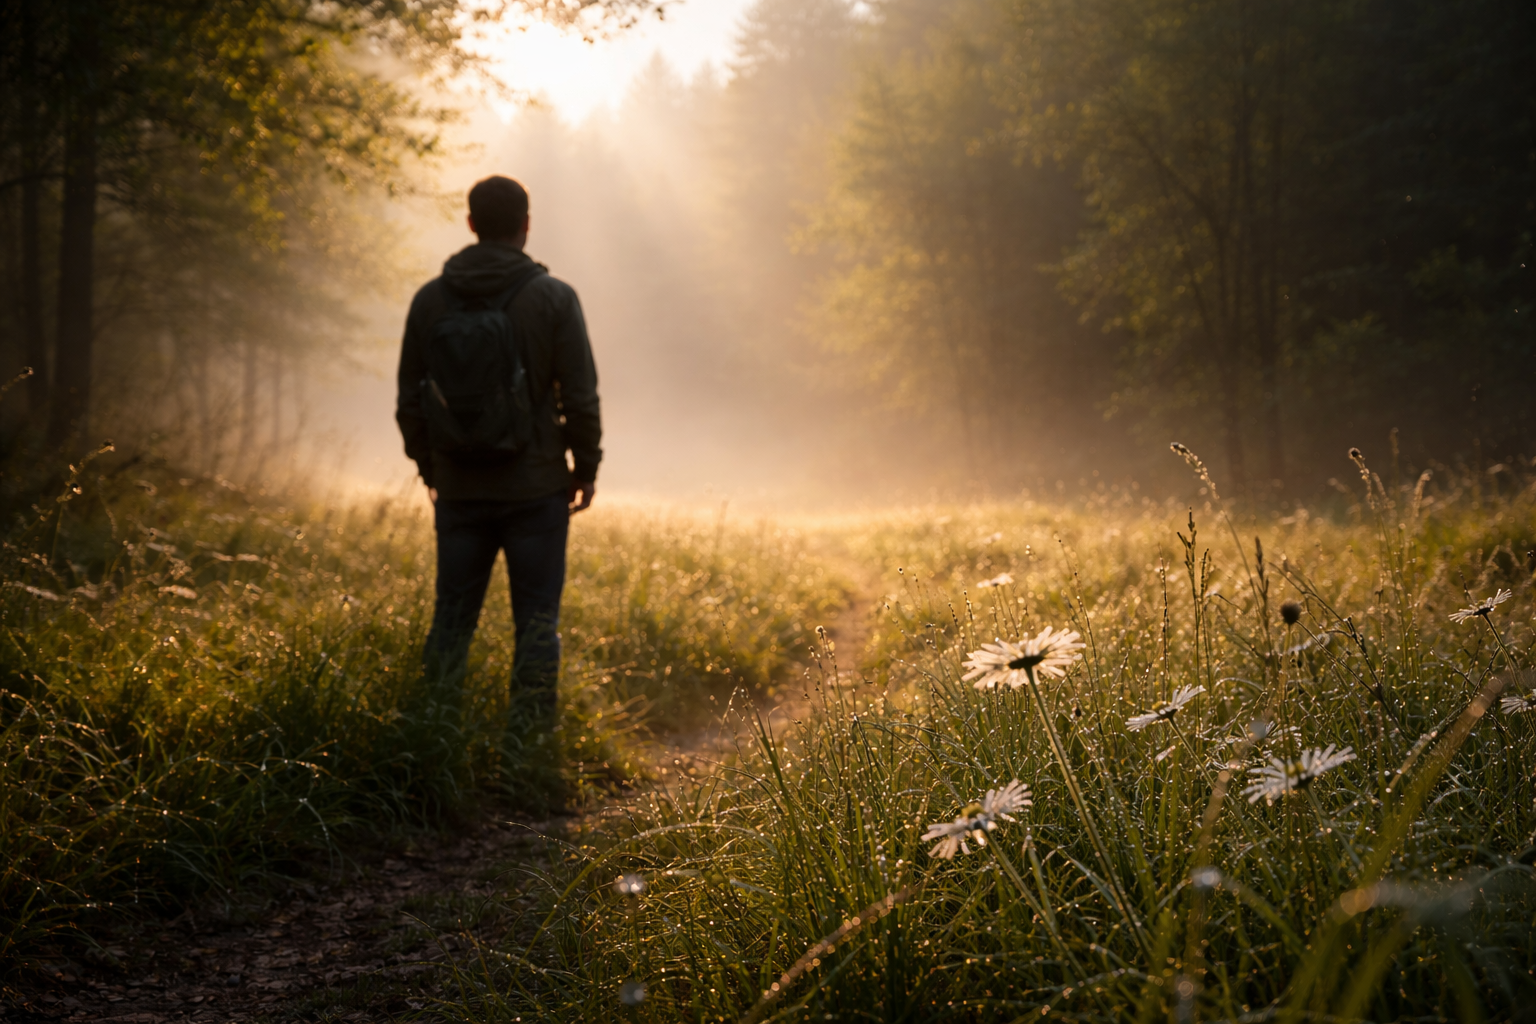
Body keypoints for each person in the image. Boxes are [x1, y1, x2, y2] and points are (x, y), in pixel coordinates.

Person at [395, 175, 601, 728]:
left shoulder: (430, 299)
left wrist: (432, 469)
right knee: (537, 622)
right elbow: (579, 395)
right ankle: (527, 747)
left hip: (460, 490)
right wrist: (585, 468)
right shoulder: (554, 298)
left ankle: (431, 736)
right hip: (536, 489)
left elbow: (408, 401)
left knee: (451, 621)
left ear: (470, 224)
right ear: (525, 226)